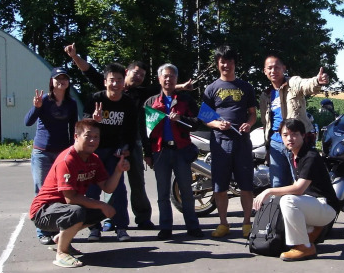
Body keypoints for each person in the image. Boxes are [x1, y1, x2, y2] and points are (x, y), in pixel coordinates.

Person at [64, 44, 193, 230]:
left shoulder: (141, 93)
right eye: (136, 73)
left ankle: (143, 217)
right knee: (109, 182)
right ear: (126, 72)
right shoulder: (110, 86)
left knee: (137, 180)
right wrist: (75, 57)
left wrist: (181, 86)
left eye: (142, 75)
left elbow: (164, 86)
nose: (139, 77)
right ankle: (109, 218)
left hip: (132, 141)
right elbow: (89, 71)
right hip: (106, 144)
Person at [29, 118, 130, 268]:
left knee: (104, 211)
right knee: (77, 211)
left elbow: (107, 188)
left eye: (96, 137)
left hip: (64, 210)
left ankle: (62, 238)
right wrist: (101, 204)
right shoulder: (67, 160)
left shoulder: (94, 159)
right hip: (43, 211)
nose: (92, 140)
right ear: (76, 136)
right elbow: (70, 199)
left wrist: (118, 171)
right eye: (88, 136)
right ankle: (61, 253)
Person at [253, 118, 339, 261]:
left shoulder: (310, 156)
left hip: (326, 207)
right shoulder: (294, 155)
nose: (289, 138)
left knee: (288, 200)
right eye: (285, 135)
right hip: (312, 204)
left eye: (294, 134)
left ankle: (304, 247)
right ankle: (312, 232)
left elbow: (299, 189)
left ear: (303, 135)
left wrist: (268, 191)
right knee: (284, 201)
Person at [143, 64, 203, 240]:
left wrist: (181, 119)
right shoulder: (151, 102)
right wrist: (147, 153)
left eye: (172, 76)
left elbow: (197, 122)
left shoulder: (185, 100)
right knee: (162, 193)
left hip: (181, 150)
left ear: (176, 79)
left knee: (186, 191)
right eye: (165, 76)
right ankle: (166, 228)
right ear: (159, 79)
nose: (168, 79)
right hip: (160, 151)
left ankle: (192, 226)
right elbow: (144, 130)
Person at [202, 45, 257, 238]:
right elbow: (205, 118)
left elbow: (252, 114)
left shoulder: (246, 87)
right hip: (220, 143)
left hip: (242, 142)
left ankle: (247, 223)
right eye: (222, 62)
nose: (226, 65)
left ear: (235, 63)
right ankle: (223, 223)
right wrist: (217, 124)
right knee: (220, 186)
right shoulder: (211, 88)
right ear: (218, 64)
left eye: (229, 61)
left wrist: (249, 124)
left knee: (246, 185)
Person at [83, 63, 138, 242]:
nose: (115, 84)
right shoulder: (95, 99)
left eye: (119, 80)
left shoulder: (128, 103)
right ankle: (94, 228)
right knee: (92, 191)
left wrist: (127, 149)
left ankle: (121, 228)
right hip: (95, 152)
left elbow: (131, 130)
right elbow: (84, 126)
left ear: (124, 82)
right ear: (105, 82)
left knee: (119, 190)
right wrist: (94, 120)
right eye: (112, 80)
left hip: (116, 152)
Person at [24, 67, 79, 245]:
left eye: (65, 78)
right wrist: (36, 107)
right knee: (42, 191)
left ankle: (56, 229)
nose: (61, 81)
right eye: (58, 78)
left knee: (61, 191)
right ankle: (42, 231)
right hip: (42, 152)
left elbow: (73, 128)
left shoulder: (71, 104)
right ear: (52, 82)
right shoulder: (44, 101)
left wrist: (72, 150)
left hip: (62, 153)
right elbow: (28, 122)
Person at [259, 55, 329, 187]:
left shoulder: (293, 83)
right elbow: (266, 123)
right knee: (277, 183)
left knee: (300, 182)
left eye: (276, 67)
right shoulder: (265, 95)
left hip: (296, 142)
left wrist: (317, 81)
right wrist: (268, 148)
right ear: (265, 71)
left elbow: (306, 85)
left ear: (283, 68)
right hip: (275, 143)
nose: (273, 71)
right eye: (270, 68)